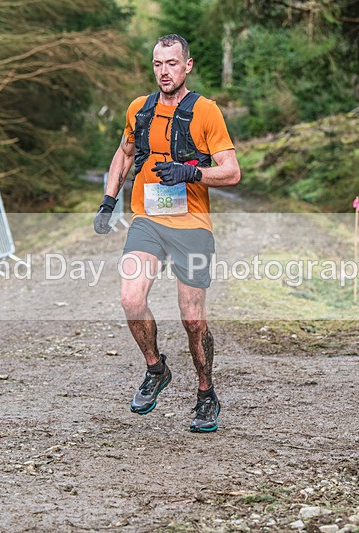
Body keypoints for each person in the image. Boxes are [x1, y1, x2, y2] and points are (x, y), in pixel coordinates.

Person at [93, 34, 241, 432]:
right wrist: (109, 201)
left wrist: (191, 172)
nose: (164, 72)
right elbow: (124, 154)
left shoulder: (206, 112)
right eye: (158, 64)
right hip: (148, 220)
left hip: (191, 224)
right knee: (130, 297)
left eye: (172, 64)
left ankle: (206, 394)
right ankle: (156, 368)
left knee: (193, 320)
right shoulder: (139, 109)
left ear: (187, 65)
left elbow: (232, 171)